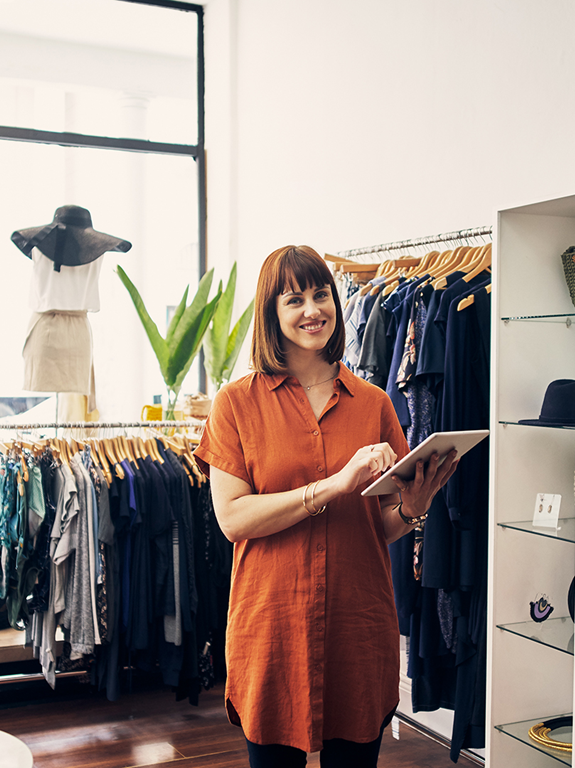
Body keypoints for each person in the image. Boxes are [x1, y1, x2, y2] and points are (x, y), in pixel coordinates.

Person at [194, 245, 458, 767]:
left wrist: (413, 507)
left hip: (356, 623)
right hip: (271, 624)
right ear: (271, 312)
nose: (313, 310)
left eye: (321, 295)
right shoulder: (236, 404)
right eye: (295, 299)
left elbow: (376, 527)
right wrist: (332, 487)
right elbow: (233, 519)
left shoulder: (374, 404)